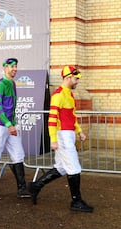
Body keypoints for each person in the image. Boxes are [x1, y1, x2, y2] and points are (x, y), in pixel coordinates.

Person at [28, 66, 94, 212]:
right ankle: (76, 202)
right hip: (62, 135)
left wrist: (79, 131)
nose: (77, 81)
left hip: (67, 134)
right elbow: (52, 119)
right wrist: (53, 139)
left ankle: (35, 186)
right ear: (67, 78)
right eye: (76, 79)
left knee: (62, 168)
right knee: (74, 168)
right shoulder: (58, 95)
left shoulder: (69, 94)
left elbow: (72, 117)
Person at [0, 58, 30, 200]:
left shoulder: (12, 83)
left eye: (16, 66)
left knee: (18, 154)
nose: (15, 69)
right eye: (12, 66)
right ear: (5, 68)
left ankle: (22, 189)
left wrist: (11, 124)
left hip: (10, 126)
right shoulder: (0, 84)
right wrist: (8, 124)